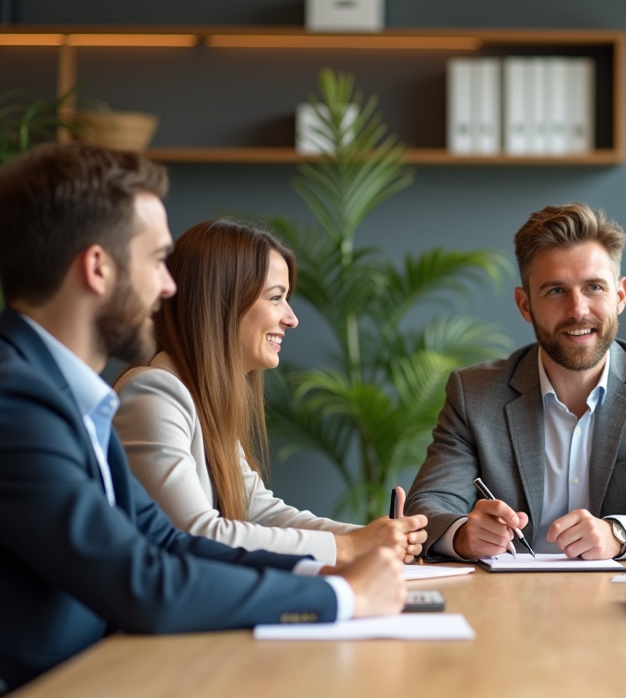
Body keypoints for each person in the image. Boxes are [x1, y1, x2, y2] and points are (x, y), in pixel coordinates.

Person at [0, 144, 405, 698]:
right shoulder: (10, 401)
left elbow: (165, 543)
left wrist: (324, 575)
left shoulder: (62, 394)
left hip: (92, 685)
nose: (170, 287)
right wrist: (344, 599)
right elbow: (143, 583)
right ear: (98, 268)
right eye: (158, 261)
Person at [406, 202, 626, 560]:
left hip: (619, 599)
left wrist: (619, 534)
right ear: (525, 305)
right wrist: (463, 534)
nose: (578, 310)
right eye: (556, 291)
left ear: (619, 295)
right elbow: (426, 507)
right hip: (507, 601)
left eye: (593, 288)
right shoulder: (474, 394)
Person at [114, 219, 427, 565]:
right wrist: (350, 548)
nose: (291, 318)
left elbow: (261, 512)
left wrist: (370, 537)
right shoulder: (153, 395)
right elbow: (197, 534)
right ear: (221, 302)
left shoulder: (201, 398)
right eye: (276, 298)